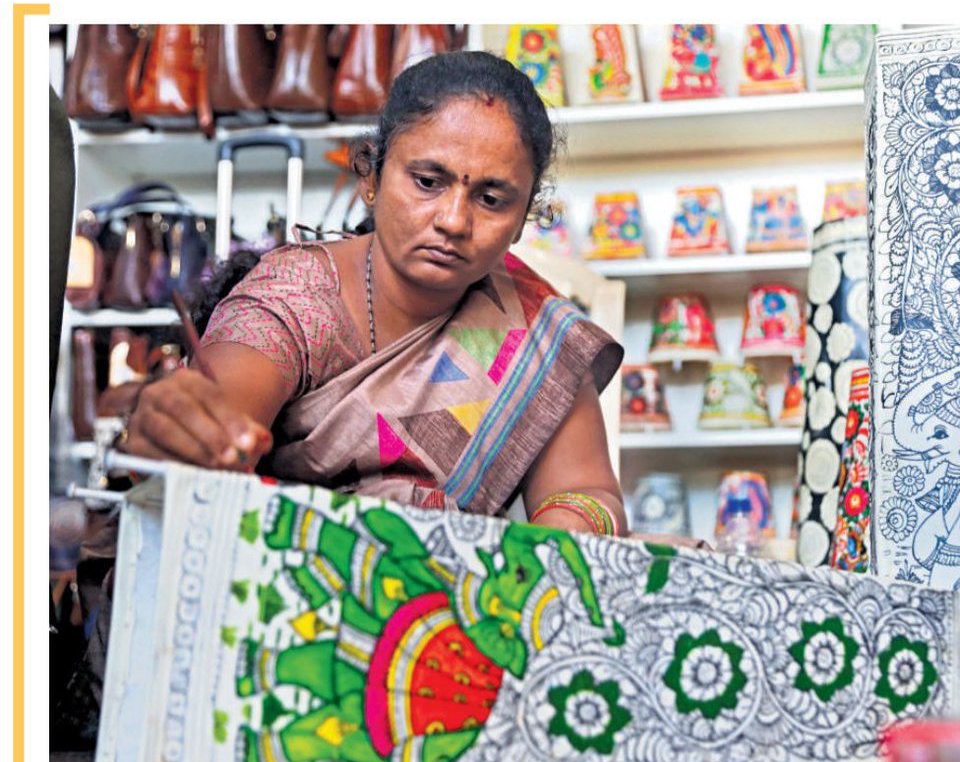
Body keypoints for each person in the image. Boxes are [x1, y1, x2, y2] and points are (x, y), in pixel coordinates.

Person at [123, 51, 626, 536]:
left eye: (492, 200)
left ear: (522, 221)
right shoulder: (295, 300)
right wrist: (178, 434)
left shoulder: (532, 327)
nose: (453, 221)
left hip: (451, 602)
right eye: (427, 182)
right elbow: (200, 438)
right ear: (372, 177)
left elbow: (588, 491)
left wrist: (567, 528)